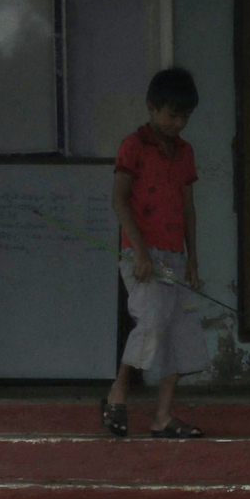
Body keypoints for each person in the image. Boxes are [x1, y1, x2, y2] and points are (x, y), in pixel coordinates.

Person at [102, 68, 209, 438]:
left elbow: (188, 208)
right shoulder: (133, 145)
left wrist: (192, 259)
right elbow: (118, 200)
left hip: (176, 257)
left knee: (180, 330)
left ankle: (163, 416)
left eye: (184, 117)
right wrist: (141, 252)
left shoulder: (185, 153)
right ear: (151, 107)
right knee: (151, 323)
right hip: (142, 255)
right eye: (170, 115)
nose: (177, 123)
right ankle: (117, 393)